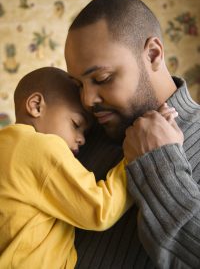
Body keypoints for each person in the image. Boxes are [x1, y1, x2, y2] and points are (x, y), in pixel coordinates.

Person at [65, 0, 200, 268]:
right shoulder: (83, 139)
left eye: (102, 78)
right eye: (79, 85)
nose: (87, 100)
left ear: (153, 54)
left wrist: (159, 167)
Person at [0, 66, 134, 269]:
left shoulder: (7, 145)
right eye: (75, 123)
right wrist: (135, 156)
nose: (81, 140)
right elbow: (100, 210)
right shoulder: (40, 147)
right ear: (36, 106)